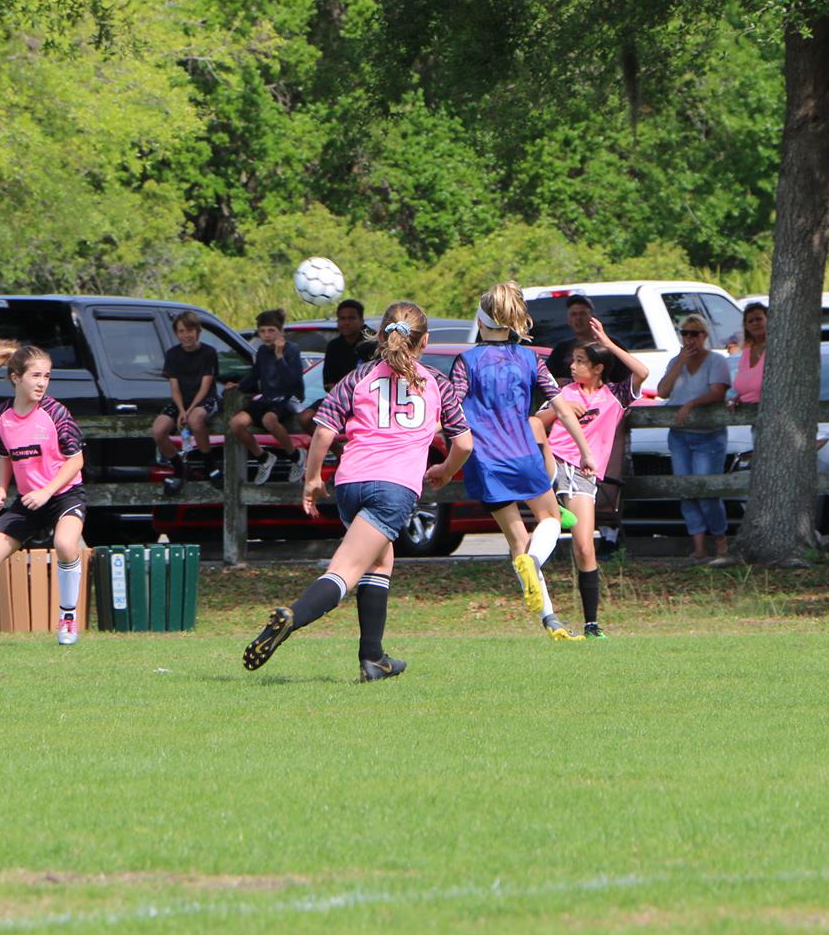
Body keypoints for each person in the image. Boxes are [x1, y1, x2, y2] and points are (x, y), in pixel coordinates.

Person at [242, 301, 473, 681]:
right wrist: (445, 472)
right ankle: (292, 617)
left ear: (380, 336)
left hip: (351, 482)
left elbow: (323, 432)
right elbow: (463, 444)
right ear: (425, 341)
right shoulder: (437, 383)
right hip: (394, 487)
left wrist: (312, 479)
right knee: (345, 569)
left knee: (380, 561)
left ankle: (373, 658)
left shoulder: (357, 377)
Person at [452, 282, 598, 640]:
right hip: (523, 454)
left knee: (517, 540)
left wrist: (444, 461)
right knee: (551, 518)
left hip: (485, 459)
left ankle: (550, 619)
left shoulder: (466, 362)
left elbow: (451, 411)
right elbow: (561, 408)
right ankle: (536, 563)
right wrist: (585, 450)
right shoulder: (530, 359)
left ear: (480, 320)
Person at [0, 325, 86, 648]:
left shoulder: (56, 413)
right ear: (16, 378)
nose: (42, 383)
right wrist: (1, 490)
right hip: (27, 502)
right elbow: (5, 457)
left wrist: (47, 491)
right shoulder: (2, 416)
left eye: (47, 376)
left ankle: (68, 620)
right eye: (35, 376)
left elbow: (76, 461)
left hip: (63, 496)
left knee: (66, 544)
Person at [536, 327, 649, 638]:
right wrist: (558, 409)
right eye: (572, 361)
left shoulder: (614, 396)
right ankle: (551, 498)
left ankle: (591, 625)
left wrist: (608, 343)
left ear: (598, 368)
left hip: (583, 474)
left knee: (585, 547)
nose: (572, 366)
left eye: (580, 361)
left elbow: (642, 372)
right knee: (535, 433)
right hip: (557, 462)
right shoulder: (563, 393)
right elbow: (535, 423)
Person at [657, 312, 732, 561]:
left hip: (709, 435)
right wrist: (680, 361)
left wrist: (691, 404)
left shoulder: (716, 361)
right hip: (679, 436)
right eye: (685, 333)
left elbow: (718, 392)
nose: (690, 338)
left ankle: (720, 540)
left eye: (695, 334)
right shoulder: (675, 362)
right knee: (686, 490)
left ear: (704, 336)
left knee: (706, 490)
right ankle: (698, 547)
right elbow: (662, 391)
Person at [226, 308, 306, 484]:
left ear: (281, 331)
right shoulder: (262, 351)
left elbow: (292, 381)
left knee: (269, 420)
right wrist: (239, 385)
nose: (267, 335)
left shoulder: (292, 350)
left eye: (271, 330)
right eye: (262, 331)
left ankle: (295, 456)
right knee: (236, 424)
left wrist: (279, 356)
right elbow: (255, 374)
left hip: (287, 398)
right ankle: (263, 458)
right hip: (267, 398)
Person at [154, 310, 219, 494]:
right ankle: (179, 468)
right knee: (158, 430)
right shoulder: (172, 354)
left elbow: (206, 386)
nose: (186, 335)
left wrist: (188, 411)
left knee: (195, 420)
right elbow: (174, 387)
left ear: (197, 331)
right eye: (181, 331)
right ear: (176, 333)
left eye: (189, 330)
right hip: (181, 401)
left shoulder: (209, 353)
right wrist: (181, 410)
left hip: (204, 399)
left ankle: (210, 466)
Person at [320, 298, 377, 392]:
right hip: (340, 396)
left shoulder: (373, 343)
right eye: (342, 318)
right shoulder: (333, 346)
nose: (346, 323)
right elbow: (328, 382)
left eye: (351, 318)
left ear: (362, 321)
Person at [729, 300, 768, 407]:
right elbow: (740, 386)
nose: (755, 323)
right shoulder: (746, 352)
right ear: (746, 326)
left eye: (759, 319)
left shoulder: (775, 349)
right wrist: (734, 399)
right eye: (751, 321)